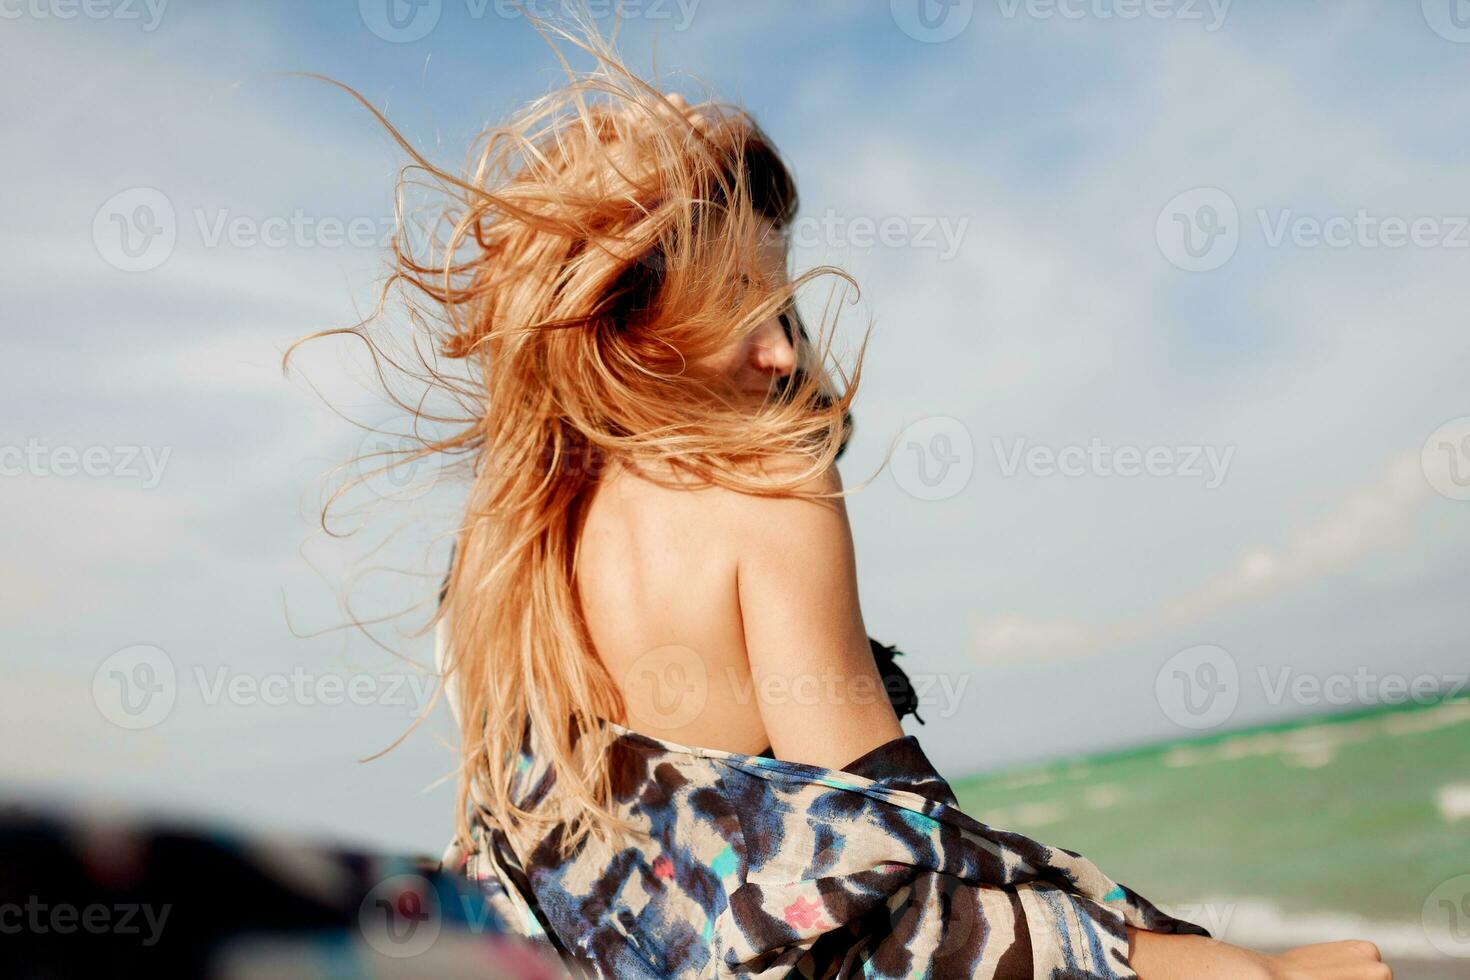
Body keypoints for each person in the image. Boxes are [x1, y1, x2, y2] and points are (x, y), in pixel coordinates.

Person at [309, 18, 1392, 980]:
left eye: (785, 300)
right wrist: (1220, 964)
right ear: (627, 323)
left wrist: (659, 180)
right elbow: (887, 864)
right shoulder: (767, 490)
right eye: (742, 301)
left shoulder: (493, 584)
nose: (784, 349)